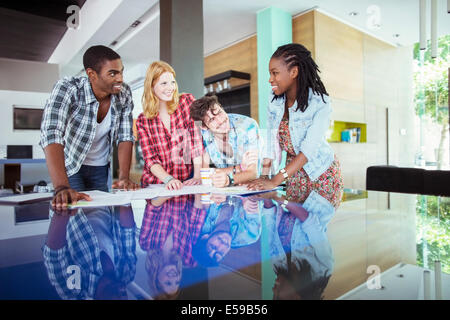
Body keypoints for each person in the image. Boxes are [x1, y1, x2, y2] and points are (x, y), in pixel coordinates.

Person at [40, 45, 138, 209]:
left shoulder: (124, 93)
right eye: (112, 73)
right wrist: (61, 187)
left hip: (101, 168)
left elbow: (125, 136)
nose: (120, 78)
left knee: (99, 218)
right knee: (73, 214)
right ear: (92, 74)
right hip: (71, 166)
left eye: (121, 71)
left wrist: (123, 178)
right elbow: (51, 133)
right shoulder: (68, 88)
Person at [247, 43, 343, 202]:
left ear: (294, 72)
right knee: (289, 225)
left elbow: (308, 151)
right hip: (293, 175)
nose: (270, 79)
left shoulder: (320, 103)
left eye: (275, 73)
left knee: (308, 225)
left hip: (322, 174)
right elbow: (271, 145)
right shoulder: (274, 102)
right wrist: (263, 177)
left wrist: (275, 180)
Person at [42, 205, 137, 300]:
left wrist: (64, 206)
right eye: (125, 295)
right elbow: (127, 232)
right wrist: (124, 197)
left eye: (119, 297)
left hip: (73, 205)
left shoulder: (74, 292)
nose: (123, 290)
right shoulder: (127, 274)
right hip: (105, 199)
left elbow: (53, 256)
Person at [136, 61, 204, 190]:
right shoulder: (143, 120)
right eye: (164, 83)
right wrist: (169, 179)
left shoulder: (187, 102)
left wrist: (197, 176)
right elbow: (151, 159)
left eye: (172, 82)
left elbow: (196, 141)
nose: (170, 88)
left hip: (186, 182)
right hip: (156, 185)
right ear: (151, 87)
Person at [189, 94, 261, 188]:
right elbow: (206, 174)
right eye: (212, 120)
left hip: (255, 188)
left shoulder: (248, 126)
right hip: (226, 190)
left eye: (219, 112)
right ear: (204, 127)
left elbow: (252, 173)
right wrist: (238, 168)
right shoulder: (204, 134)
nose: (220, 120)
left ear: (221, 108)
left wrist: (228, 179)